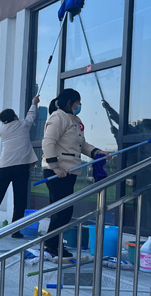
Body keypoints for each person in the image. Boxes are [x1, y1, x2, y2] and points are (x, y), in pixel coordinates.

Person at [41, 89, 105, 258]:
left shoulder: (75, 120)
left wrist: (97, 152)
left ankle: (54, 244)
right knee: (62, 211)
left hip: (70, 172)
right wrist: (55, 166)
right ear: (70, 102)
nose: (80, 105)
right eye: (78, 102)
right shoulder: (58, 117)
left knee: (65, 211)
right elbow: (48, 142)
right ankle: (51, 245)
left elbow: (82, 145)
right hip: (57, 172)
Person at [0, 96, 41, 239]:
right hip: (20, 168)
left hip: (4, 167)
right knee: (20, 199)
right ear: (15, 117)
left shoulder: (2, 130)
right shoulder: (23, 125)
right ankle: (16, 230)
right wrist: (34, 103)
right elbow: (31, 116)